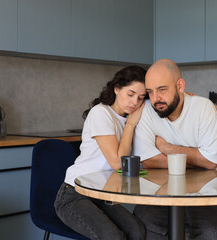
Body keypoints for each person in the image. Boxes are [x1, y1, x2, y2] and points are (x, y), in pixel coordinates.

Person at [132, 59, 217, 240]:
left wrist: (166, 148)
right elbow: (148, 161)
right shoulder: (146, 110)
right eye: (150, 92)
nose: (155, 99)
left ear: (180, 86)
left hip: (205, 193)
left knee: (213, 235)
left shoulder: (203, 108)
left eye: (162, 90)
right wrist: (196, 159)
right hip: (158, 193)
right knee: (144, 230)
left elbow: (211, 162)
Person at [54, 65, 147, 240]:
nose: (135, 102)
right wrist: (131, 124)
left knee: (137, 231)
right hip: (74, 194)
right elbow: (117, 163)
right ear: (117, 88)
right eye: (131, 94)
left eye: (141, 98)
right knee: (113, 237)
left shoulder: (128, 117)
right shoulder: (101, 113)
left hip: (101, 194)